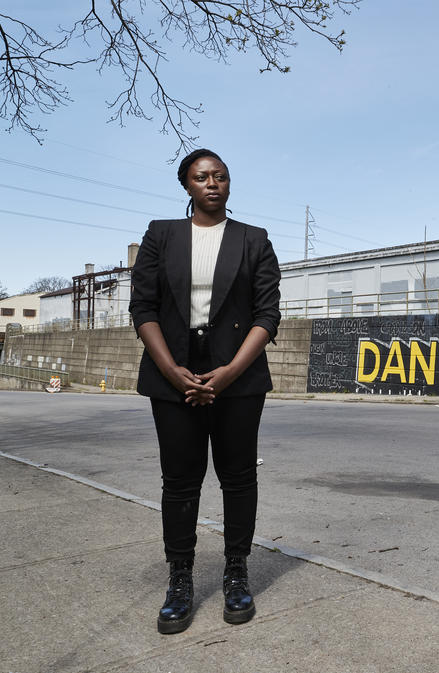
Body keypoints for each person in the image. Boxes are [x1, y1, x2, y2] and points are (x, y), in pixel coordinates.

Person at [129, 148, 281, 635]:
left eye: (220, 176)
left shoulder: (253, 240)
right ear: (186, 185)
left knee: (237, 478)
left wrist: (231, 371)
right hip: (171, 373)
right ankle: (181, 578)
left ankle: (236, 572)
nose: (212, 183)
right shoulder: (161, 234)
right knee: (180, 480)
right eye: (201, 177)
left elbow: (267, 314)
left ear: (229, 184)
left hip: (237, 376)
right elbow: (143, 307)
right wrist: (172, 371)